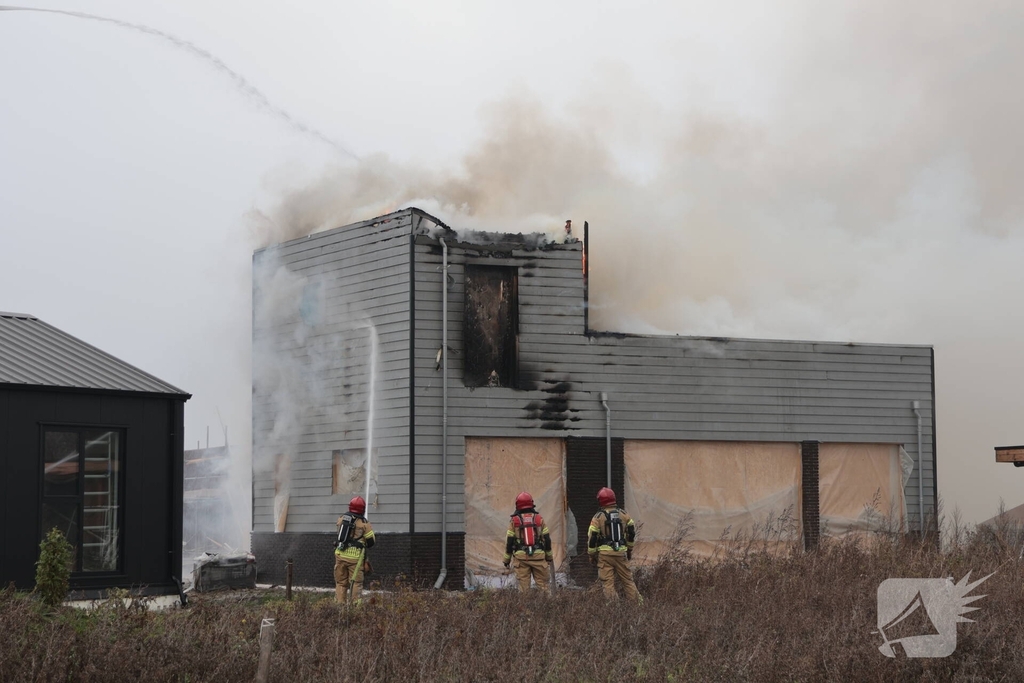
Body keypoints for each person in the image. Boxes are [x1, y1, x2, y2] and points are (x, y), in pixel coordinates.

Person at [587, 487, 641, 602]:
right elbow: (631, 532)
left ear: (600, 501)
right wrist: (629, 549)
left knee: (608, 584)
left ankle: (613, 608)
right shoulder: (624, 514)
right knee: (628, 581)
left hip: (604, 555)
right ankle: (637, 606)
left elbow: (592, 538)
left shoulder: (597, 517)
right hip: (621, 553)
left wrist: (592, 555)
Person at [503, 491, 553, 592]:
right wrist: (549, 557)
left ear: (517, 505)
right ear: (531, 503)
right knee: (544, 588)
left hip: (521, 559)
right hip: (539, 557)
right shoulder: (539, 520)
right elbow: (547, 540)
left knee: (524, 590)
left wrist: (506, 560)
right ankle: (547, 607)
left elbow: (509, 542)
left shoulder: (514, 521)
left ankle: (525, 607)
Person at [334, 495, 374, 603]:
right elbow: (371, 542)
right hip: (355, 559)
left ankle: (339, 606)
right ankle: (355, 608)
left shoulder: (341, 518)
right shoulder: (364, 523)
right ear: (363, 509)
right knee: (355, 583)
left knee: (341, 582)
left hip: (340, 555)